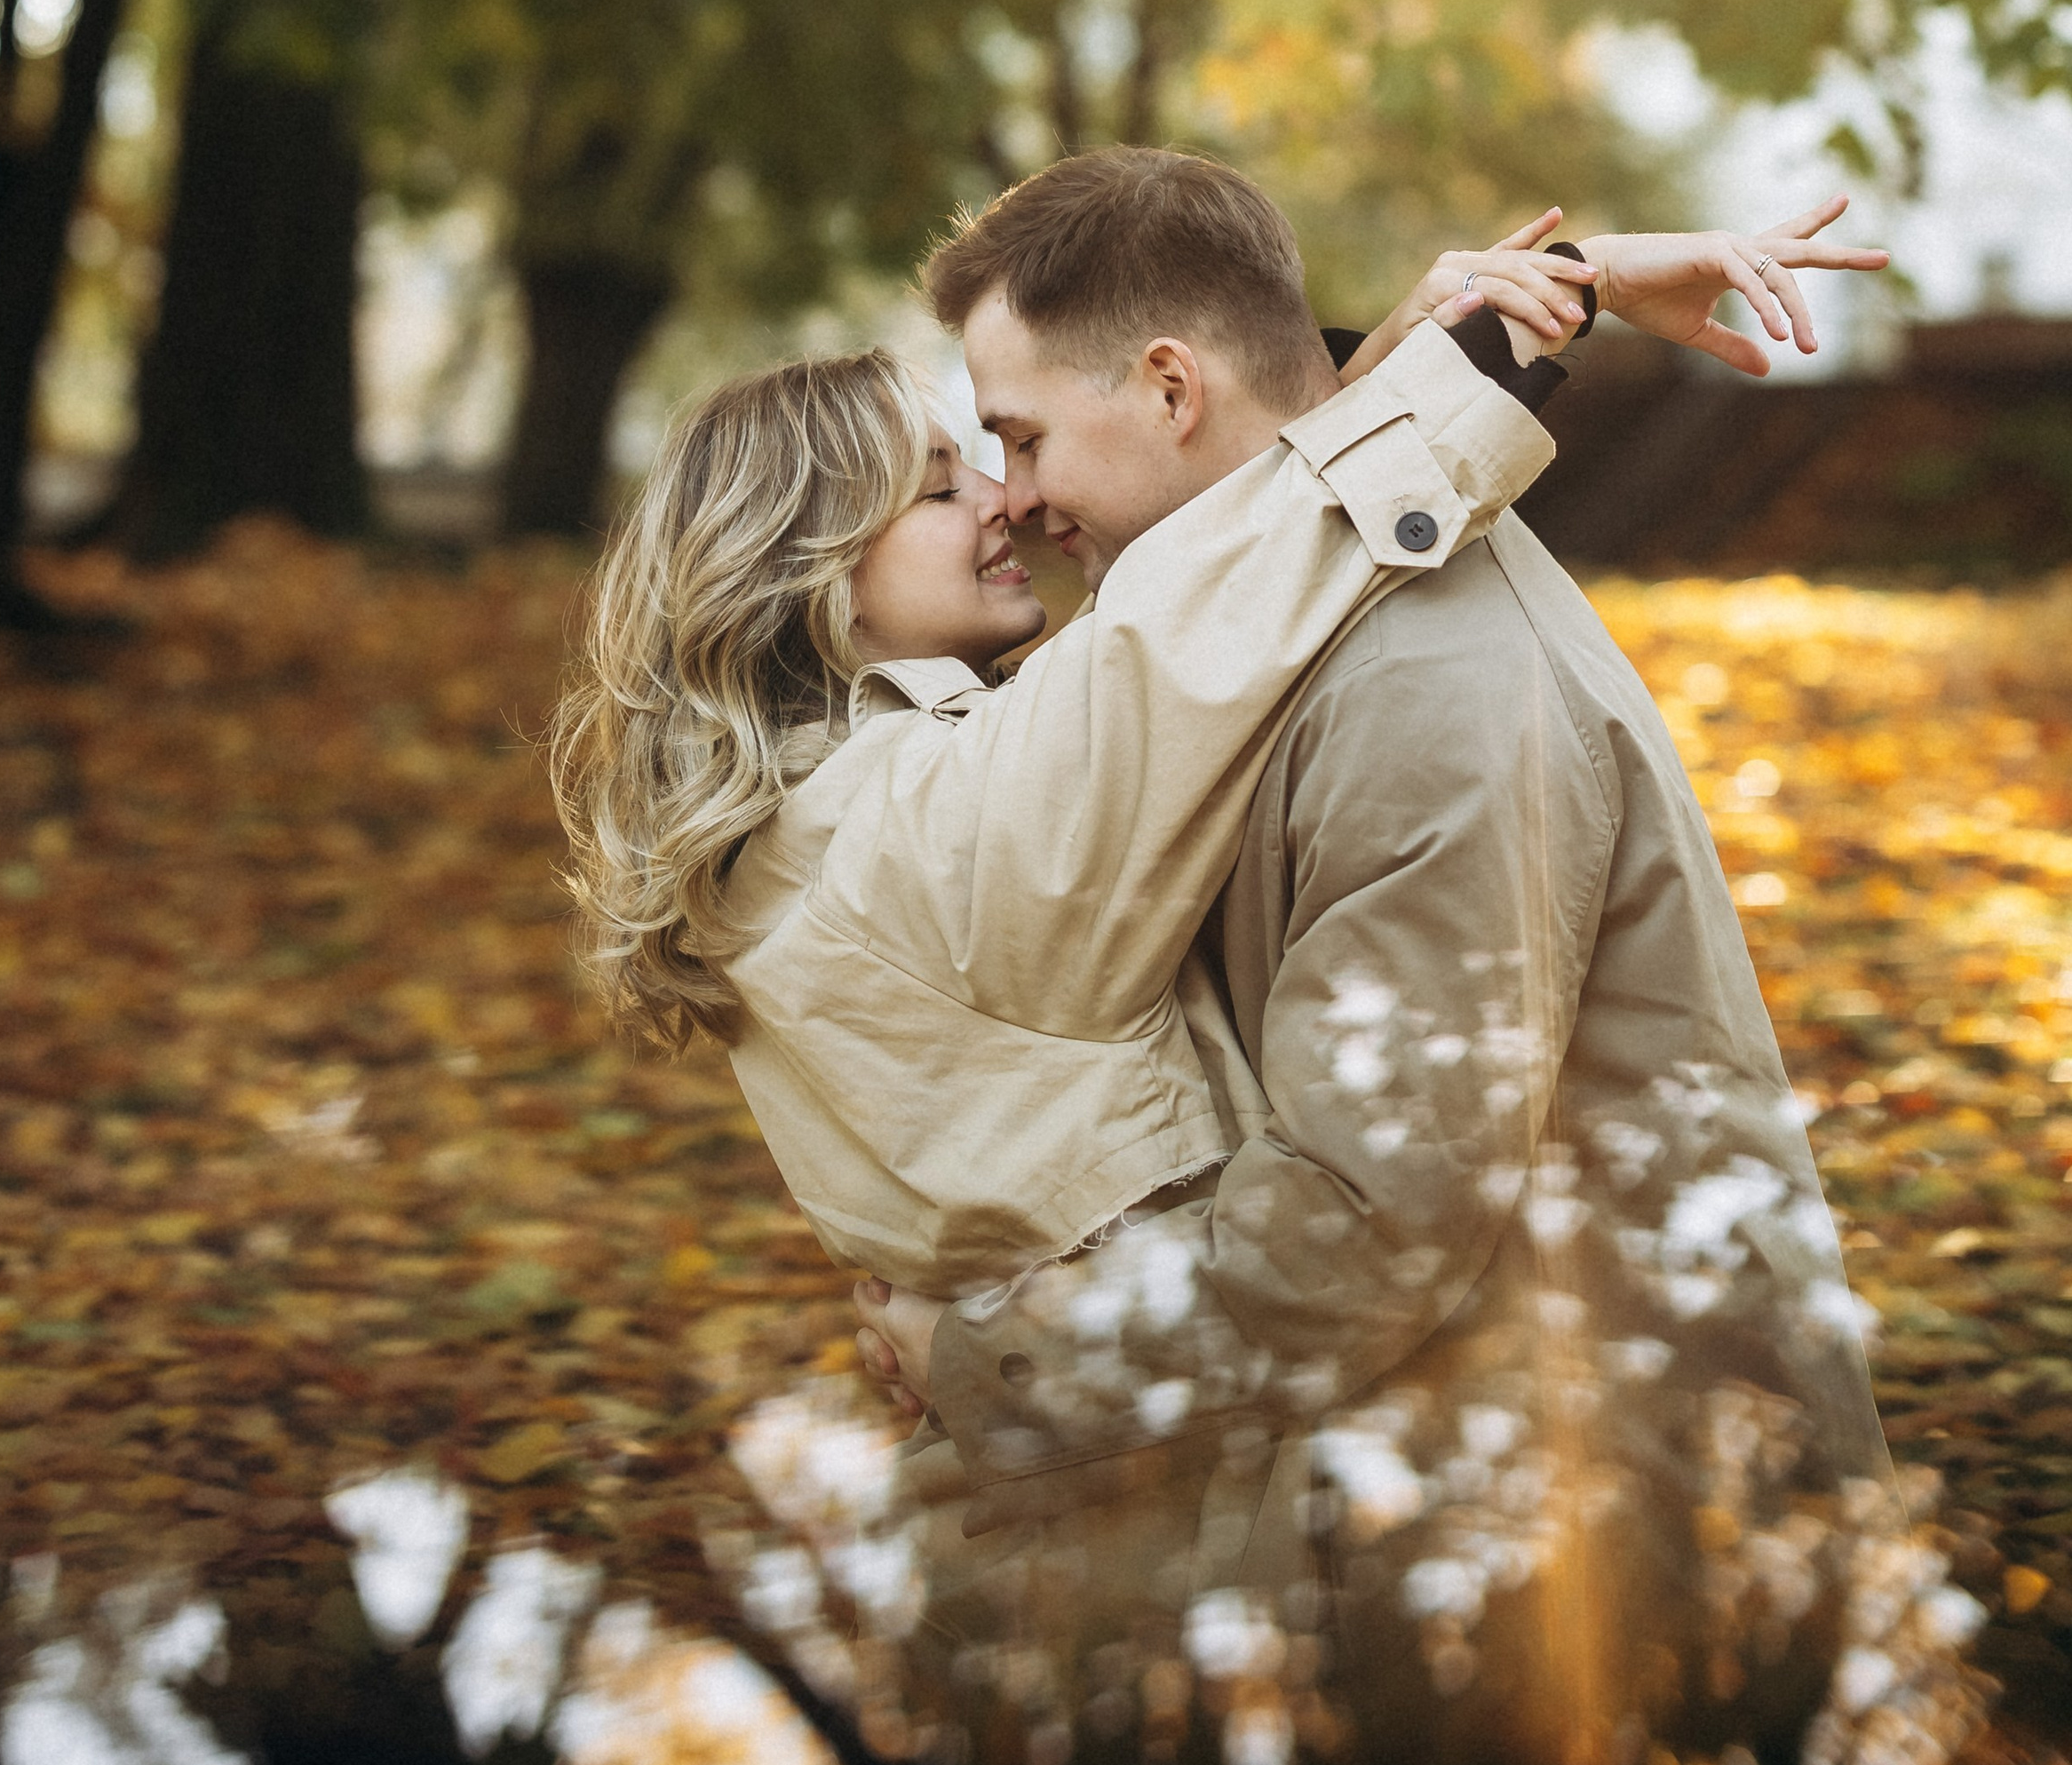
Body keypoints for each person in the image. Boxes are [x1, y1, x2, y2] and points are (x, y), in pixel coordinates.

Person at [851, 149, 1898, 1765]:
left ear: (1174, 388)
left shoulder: (1421, 687)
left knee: (945, 1626)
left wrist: (991, 1360)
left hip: (1615, 1568)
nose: (1011, 492)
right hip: (1452, 1478)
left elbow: (1356, 1228)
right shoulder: (1265, 630)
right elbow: (1314, 465)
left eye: (1023, 435)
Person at [552, 215, 1585, 1302]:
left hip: (1090, 1386)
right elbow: (1199, 623)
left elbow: (1206, 577)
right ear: (810, 572)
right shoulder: (929, 821)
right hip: (1160, 1381)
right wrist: (1486, 348)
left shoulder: (804, 826)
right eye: (940, 487)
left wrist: (1365, 374)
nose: (1003, 498)